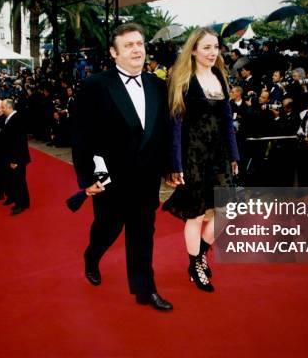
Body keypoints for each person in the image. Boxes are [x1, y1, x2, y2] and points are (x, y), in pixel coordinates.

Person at [71, 22, 172, 311]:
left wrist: (169, 167)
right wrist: (86, 178)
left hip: (146, 179)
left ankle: (145, 290)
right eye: (128, 45)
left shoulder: (158, 85)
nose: (137, 49)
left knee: (142, 234)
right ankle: (92, 256)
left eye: (139, 43)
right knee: (107, 229)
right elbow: (81, 136)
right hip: (110, 179)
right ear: (114, 53)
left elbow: (161, 132)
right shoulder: (95, 85)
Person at [163, 27, 239, 293]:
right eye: (206, 47)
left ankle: (200, 254)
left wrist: (234, 154)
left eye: (215, 47)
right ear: (193, 49)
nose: (212, 52)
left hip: (219, 155)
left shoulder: (219, 75)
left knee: (227, 211)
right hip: (192, 156)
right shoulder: (182, 79)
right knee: (194, 216)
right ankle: (196, 266)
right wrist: (175, 164)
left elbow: (227, 121)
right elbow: (174, 125)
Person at [1, 99, 31, 215]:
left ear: (9, 107)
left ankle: (21, 204)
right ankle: (24, 202)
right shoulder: (10, 118)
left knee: (18, 181)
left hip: (17, 158)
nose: (2, 110)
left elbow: (19, 142)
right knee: (17, 181)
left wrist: (14, 160)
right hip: (14, 156)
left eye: (3, 107)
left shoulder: (17, 119)